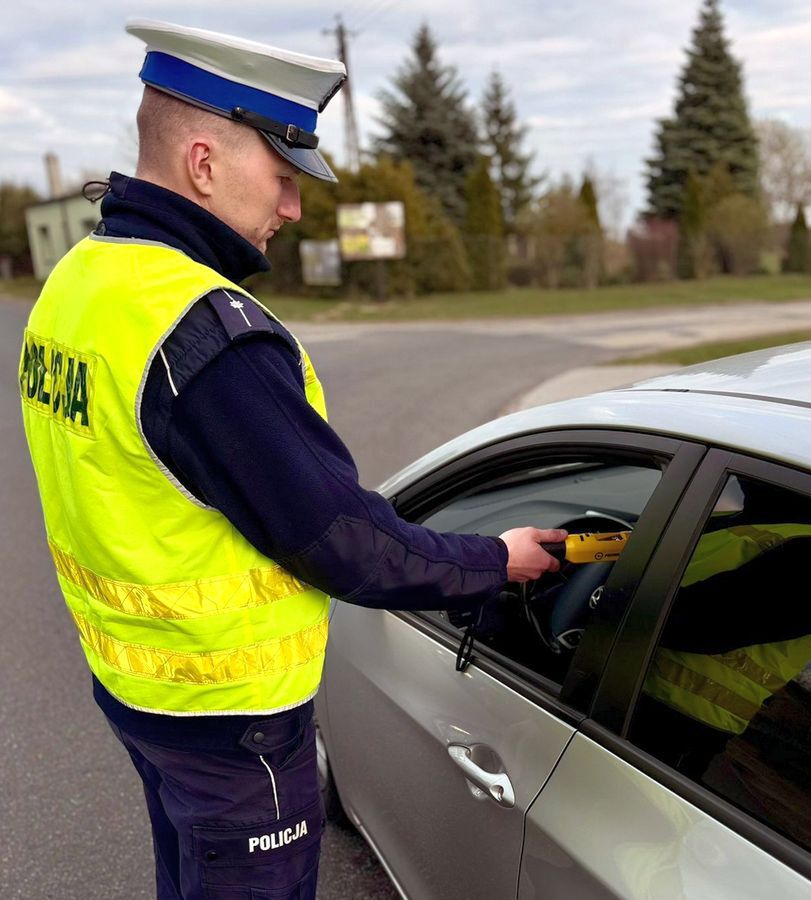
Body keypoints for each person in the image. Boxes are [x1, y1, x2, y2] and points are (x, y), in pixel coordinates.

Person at [18, 19, 564, 900]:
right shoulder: (204, 335)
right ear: (203, 163)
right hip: (230, 722)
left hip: (137, 690)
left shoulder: (82, 280)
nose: (293, 207)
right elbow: (344, 541)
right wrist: (495, 560)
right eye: (282, 177)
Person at [633, 479, 811, 779]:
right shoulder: (733, 521)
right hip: (615, 689)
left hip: (664, 735)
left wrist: (603, 596)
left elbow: (697, 622)